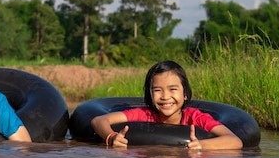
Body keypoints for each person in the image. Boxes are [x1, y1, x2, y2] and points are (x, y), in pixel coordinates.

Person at [91, 60, 243, 150]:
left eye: (173, 89)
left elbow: (235, 141)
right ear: (150, 94)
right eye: (157, 90)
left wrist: (202, 145)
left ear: (185, 94)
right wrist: (111, 137)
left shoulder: (196, 118)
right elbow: (98, 120)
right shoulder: (144, 114)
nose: (165, 97)